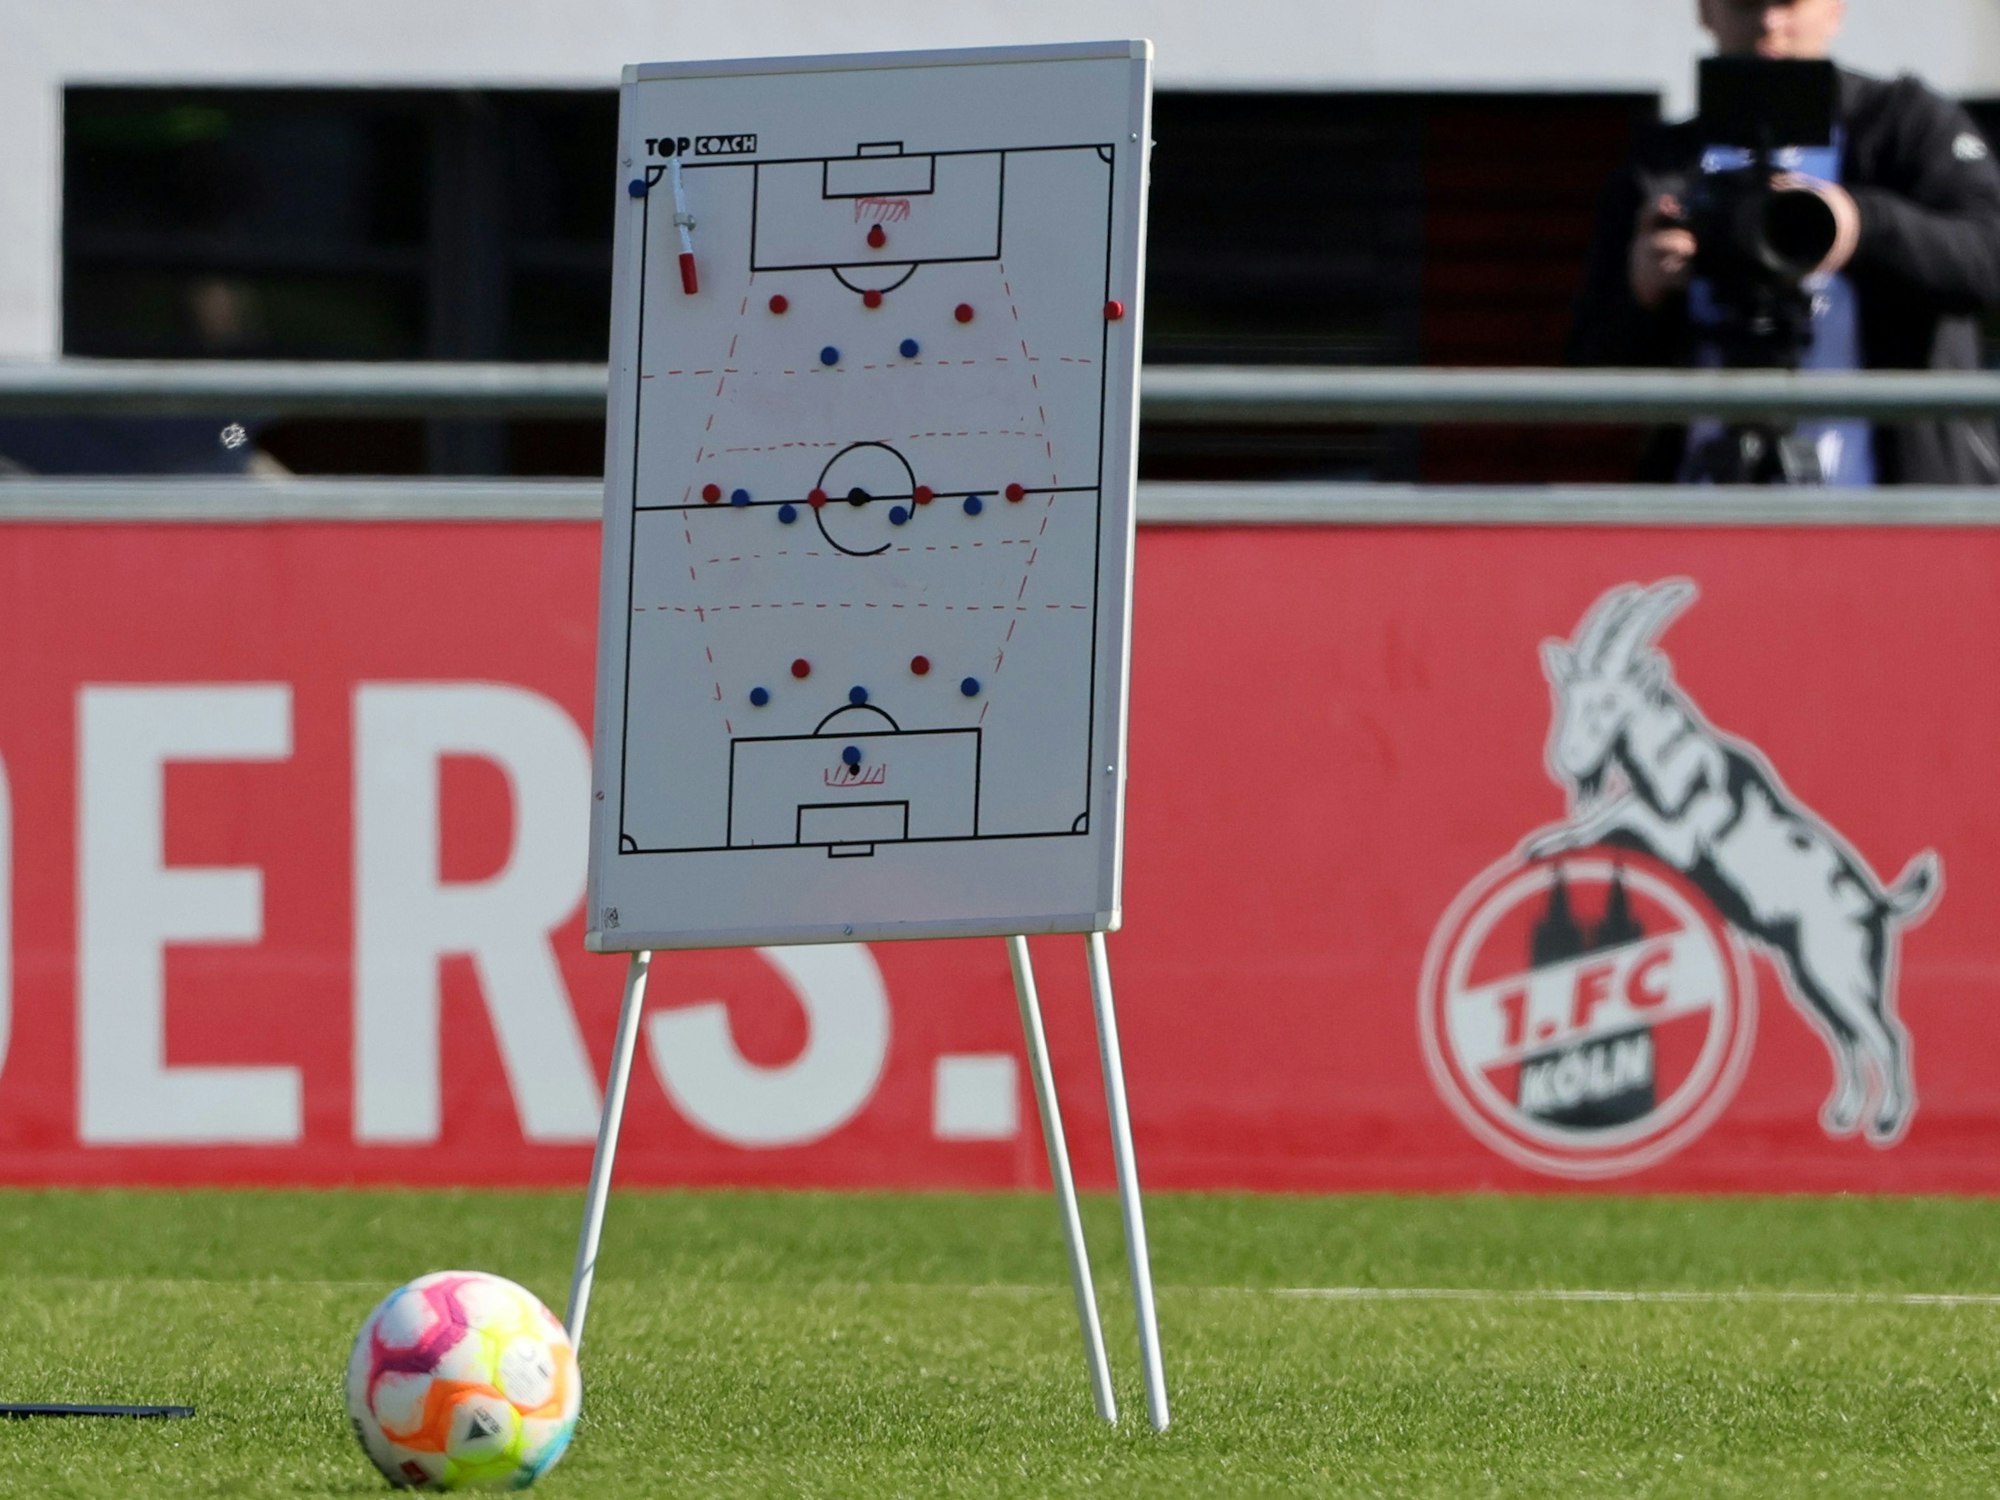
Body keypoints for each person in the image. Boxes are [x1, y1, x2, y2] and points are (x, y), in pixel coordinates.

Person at [1569, 0, 2000, 484]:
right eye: (1746, 4)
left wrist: (1858, 226)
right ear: (1707, 10)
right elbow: (1590, 370)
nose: (1769, 23)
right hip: (1709, 497)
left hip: (1885, 502)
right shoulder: (1664, 164)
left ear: (1834, 9)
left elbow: (1986, 257)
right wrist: (1642, 292)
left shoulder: (1904, 125)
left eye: (1789, 3)